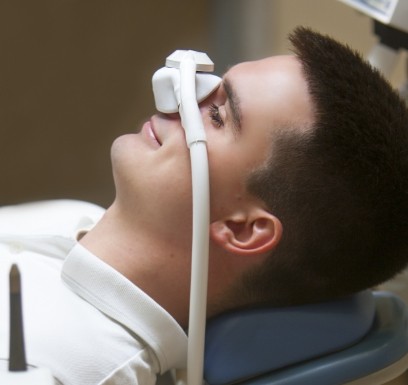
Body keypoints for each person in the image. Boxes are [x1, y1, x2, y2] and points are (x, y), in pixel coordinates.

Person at [1, 26, 407, 385]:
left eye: (216, 114)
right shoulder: (73, 218)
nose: (180, 99)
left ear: (242, 228)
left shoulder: (67, 369)